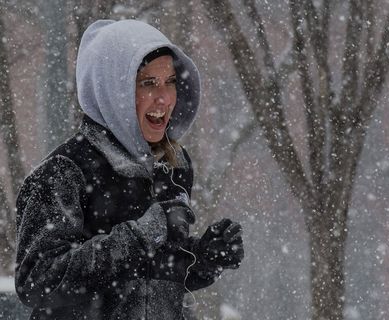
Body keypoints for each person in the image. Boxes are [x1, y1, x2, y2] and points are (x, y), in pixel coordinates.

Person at [14, 19, 244, 319]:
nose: (163, 98)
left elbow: (153, 276)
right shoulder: (65, 170)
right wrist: (139, 237)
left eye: (171, 81)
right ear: (112, 89)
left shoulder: (171, 167)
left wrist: (202, 257)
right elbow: (37, 280)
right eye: (147, 83)